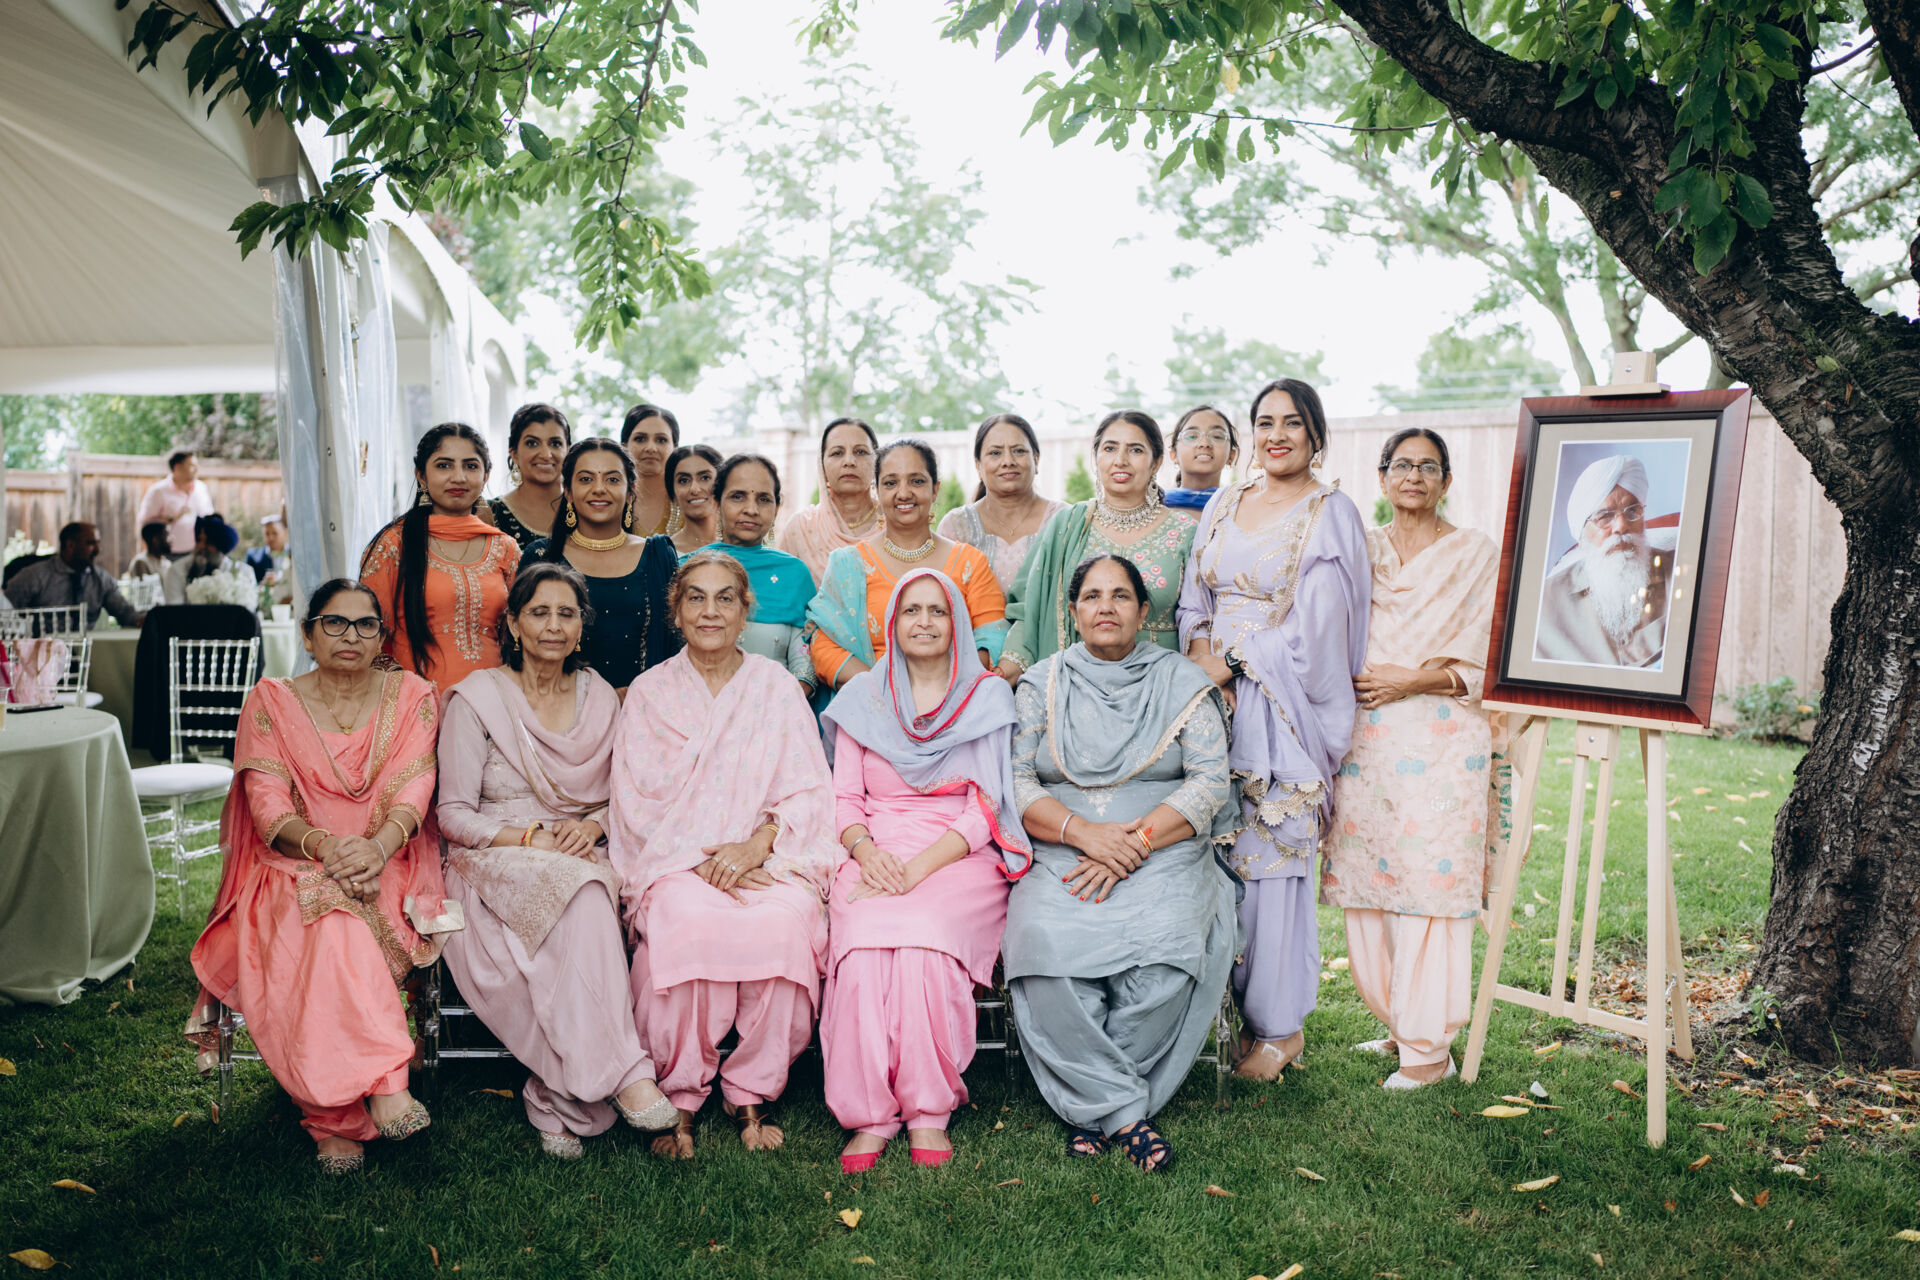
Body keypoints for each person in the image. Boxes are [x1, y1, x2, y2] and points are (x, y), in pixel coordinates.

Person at [184, 580, 461, 1173]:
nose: (350, 636)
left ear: (382, 639)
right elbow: (265, 803)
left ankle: (334, 1119)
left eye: (365, 625)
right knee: (327, 912)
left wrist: (375, 850)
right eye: (334, 623)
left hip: (389, 860)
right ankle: (380, 1087)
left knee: (339, 915)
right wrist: (327, 847)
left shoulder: (413, 697)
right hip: (291, 863)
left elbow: (416, 788)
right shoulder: (271, 702)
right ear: (308, 635)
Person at [1003, 554, 1237, 1173]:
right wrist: (1084, 834)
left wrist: (1132, 843)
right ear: (1072, 611)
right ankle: (1125, 1114)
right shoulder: (1042, 684)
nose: (1106, 607)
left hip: (1163, 846)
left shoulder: (1182, 682)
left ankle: (1093, 1107)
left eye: (1120, 596)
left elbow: (1210, 782)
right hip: (1063, 846)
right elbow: (1016, 781)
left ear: (1142, 610)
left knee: (1167, 951)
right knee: (1042, 946)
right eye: (1092, 596)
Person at [437, 563, 680, 1157]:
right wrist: (525, 838)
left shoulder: (600, 698)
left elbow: (624, 795)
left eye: (566, 613)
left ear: (580, 626)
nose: (553, 625)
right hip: (493, 855)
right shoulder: (477, 699)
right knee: (588, 892)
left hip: (581, 846)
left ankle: (554, 1096)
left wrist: (593, 825)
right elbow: (453, 814)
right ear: (514, 624)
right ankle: (626, 1077)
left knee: (590, 888)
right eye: (539, 612)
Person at [609, 552, 839, 1158]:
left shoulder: (776, 689)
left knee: (785, 925)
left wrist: (756, 846)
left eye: (725, 598)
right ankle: (680, 1093)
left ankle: (751, 1090)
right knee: (687, 922)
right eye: (696, 598)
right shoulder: (651, 693)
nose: (710, 611)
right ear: (676, 612)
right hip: (676, 861)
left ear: (744, 613)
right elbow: (635, 800)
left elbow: (808, 788)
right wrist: (703, 859)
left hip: (771, 856)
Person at [1178, 377, 1369, 1080]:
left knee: (1269, 866)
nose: (1277, 435)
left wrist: (1234, 664)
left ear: (1316, 434)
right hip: (1211, 697)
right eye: (1264, 422)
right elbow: (1194, 598)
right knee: (1212, 856)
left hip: (1279, 703)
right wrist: (1204, 663)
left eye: (1292, 422)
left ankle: (1279, 1028)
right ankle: (1222, 1012)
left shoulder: (1330, 512)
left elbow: (1320, 627)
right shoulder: (1225, 502)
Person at [818, 569, 1030, 1173]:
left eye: (938, 610)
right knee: (862, 947)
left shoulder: (986, 697)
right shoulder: (863, 699)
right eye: (911, 610)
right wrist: (868, 854)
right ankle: (869, 1114)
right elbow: (844, 800)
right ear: (893, 623)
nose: (925, 622)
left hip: (956, 855)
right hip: (873, 848)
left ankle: (927, 1108)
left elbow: (985, 806)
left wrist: (916, 870)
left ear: (957, 621)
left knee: (922, 945)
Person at [1321, 428, 1503, 1089]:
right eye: (1402, 465)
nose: (1414, 477)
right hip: (1365, 741)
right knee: (1371, 884)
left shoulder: (1474, 555)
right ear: (1382, 477)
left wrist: (1413, 680)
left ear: (1446, 481)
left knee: (1431, 886)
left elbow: (1494, 654)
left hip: (1445, 738)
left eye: (1429, 467)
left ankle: (1428, 1050)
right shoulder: (1360, 550)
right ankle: (1401, 1021)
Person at [997, 411, 1198, 684]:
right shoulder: (1067, 526)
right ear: (1096, 458)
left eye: (1135, 450)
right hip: (1078, 686)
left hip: (1161, 685)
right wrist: (1007, 669)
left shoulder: (1186, 532)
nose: (1120, 460)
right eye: (1110, 448)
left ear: (1156, 462)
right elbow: (1028, 611)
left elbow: (1201, 617)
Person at [809, 440, 1008, 692]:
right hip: (872, 700)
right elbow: (824, 645)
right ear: (876, 491)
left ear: (935, 490)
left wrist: (943, 692)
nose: (903, 493)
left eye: (916, 481)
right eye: (890, 483)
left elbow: (992, 635)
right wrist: (885, 690)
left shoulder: (970, 562)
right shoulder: (848, 565)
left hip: (956, 699)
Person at [359, 424, 521, 695]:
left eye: (470, 466)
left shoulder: (505, 548)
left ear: (486, 476)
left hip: (493, 703)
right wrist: (408, 700)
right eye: (444, 466)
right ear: (421, 476)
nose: (459, 477)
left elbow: (518, 637)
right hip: (417, 705)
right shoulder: (393, 545)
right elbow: (368, 637)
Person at [526, 438, 680, 693]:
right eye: (586, 479)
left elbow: (677, 644)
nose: (599, 489)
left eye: (612, 479)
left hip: (647, 707)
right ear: (568, 491)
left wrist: (641, 700)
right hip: (560, 707)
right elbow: (524, 646)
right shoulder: (542, 556)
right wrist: (596, 702)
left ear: (630, 492)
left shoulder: (657, 555)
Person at [1535, 454, 1673, 668]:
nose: (1621, 526)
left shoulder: (1681, 574)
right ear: (1582, 536)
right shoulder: (1544, 605)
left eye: (1632, 511)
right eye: (1605, 516)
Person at [701, 454, 817, 688]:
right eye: (738, 496)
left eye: (763, 499)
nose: (751, 509)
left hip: (778, 702)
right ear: (716, 503)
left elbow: (805, 664)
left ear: (777, 508)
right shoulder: (689, 569)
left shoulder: (794, 574)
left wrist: (779, 701)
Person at [937, 412, 1067, 593]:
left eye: (1019, 451)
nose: (1008, 461)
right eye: (995, 453)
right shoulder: (956, 527)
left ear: (1036, 460)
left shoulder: (1064, 520)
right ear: (978, 466)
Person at [776, 417, 879, 583]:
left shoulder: (895, 525)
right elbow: (780, 588)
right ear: (821, 464)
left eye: (860, 452)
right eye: (837, 453)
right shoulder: (801, 529)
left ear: (876, 462)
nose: (849, 461)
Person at [4, 521, 145, 627]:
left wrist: (140, 620)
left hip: (88, 651)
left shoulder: (101, 579)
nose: (98, 550)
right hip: (41, 652)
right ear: (71, 545)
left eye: (98, 543)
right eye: (91, 543)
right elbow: (6, 611)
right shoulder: (34, 576)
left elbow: (123, 611)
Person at [488, 404, 572, 550]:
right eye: (532, 443)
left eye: (555, 444)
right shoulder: (490, 514)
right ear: (514, 454)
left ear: (568, 451)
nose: (546, 454)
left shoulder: (585, 511)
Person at [135, 449, 214, 555]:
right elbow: (145, 523)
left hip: (198, 552)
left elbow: (209, 516)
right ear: (177, 467)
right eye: (192, 466)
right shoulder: (158, 491)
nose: (197, 469)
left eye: (197, 465)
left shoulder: (201, 488)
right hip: (169, 554)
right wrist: (171, 518)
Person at [619, 403, 680, 537]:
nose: (651, 448)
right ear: (624, 446)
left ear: (675, 448)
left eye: (661, 440)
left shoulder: (689, 501)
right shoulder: (612, 500)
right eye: (640, 439)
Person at [1163, 405, 1240, 511]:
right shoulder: (1154, 508)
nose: (1204, 443)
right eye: (1192, 436)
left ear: (1231, 455)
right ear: (1174, 454)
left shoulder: (1240, 508)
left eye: (1217, 436)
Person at [160, 514, 244, 605]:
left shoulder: (241, 572)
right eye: (199, 540)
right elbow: (174, 609)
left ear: (220, 547)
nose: (201, 546)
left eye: (208, 542)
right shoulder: (177, 570)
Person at [667, 443, 724, 556]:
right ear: (673, 495)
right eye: (683, 480)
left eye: (705, 478)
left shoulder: (741, 546)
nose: (695, 489)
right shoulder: (663, 554)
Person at [244, 515, 291, 585]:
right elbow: (247, 584)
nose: (271, 538)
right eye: (267, 534)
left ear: (285, 533)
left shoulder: (294, 555)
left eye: (275, 533)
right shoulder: (253, 557)